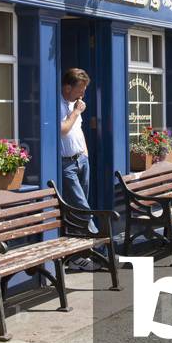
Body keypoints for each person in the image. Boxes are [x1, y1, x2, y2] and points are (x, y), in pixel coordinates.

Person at [60, 68, 100, 271]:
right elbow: (62, 130)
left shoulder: (74, 104)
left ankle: (77, 257)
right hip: (66, 163)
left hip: (81, 160)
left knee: (77, 212)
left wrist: (85, 154)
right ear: (68, 87)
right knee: (81, 208)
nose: (82, 94)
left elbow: (77, 130)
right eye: (80, 89)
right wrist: (76, 112)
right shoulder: (60, 104)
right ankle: (98, 240)